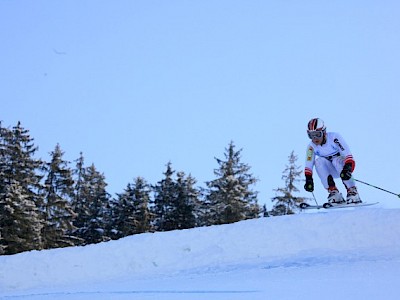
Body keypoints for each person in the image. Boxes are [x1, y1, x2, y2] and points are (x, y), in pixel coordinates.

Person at [303, 118, 362, 204]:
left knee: (336, 160)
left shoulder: (334, 137)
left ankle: (352, 191)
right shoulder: (311, 147)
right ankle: (334, 193)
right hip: (330, 171)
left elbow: (348, 155)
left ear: (324, 132)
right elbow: (308, 165)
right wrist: (309, 180)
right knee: (318, 161)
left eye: (317, 134)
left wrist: (347, 168)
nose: (315, 138)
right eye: (311, 135)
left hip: (343, 168)